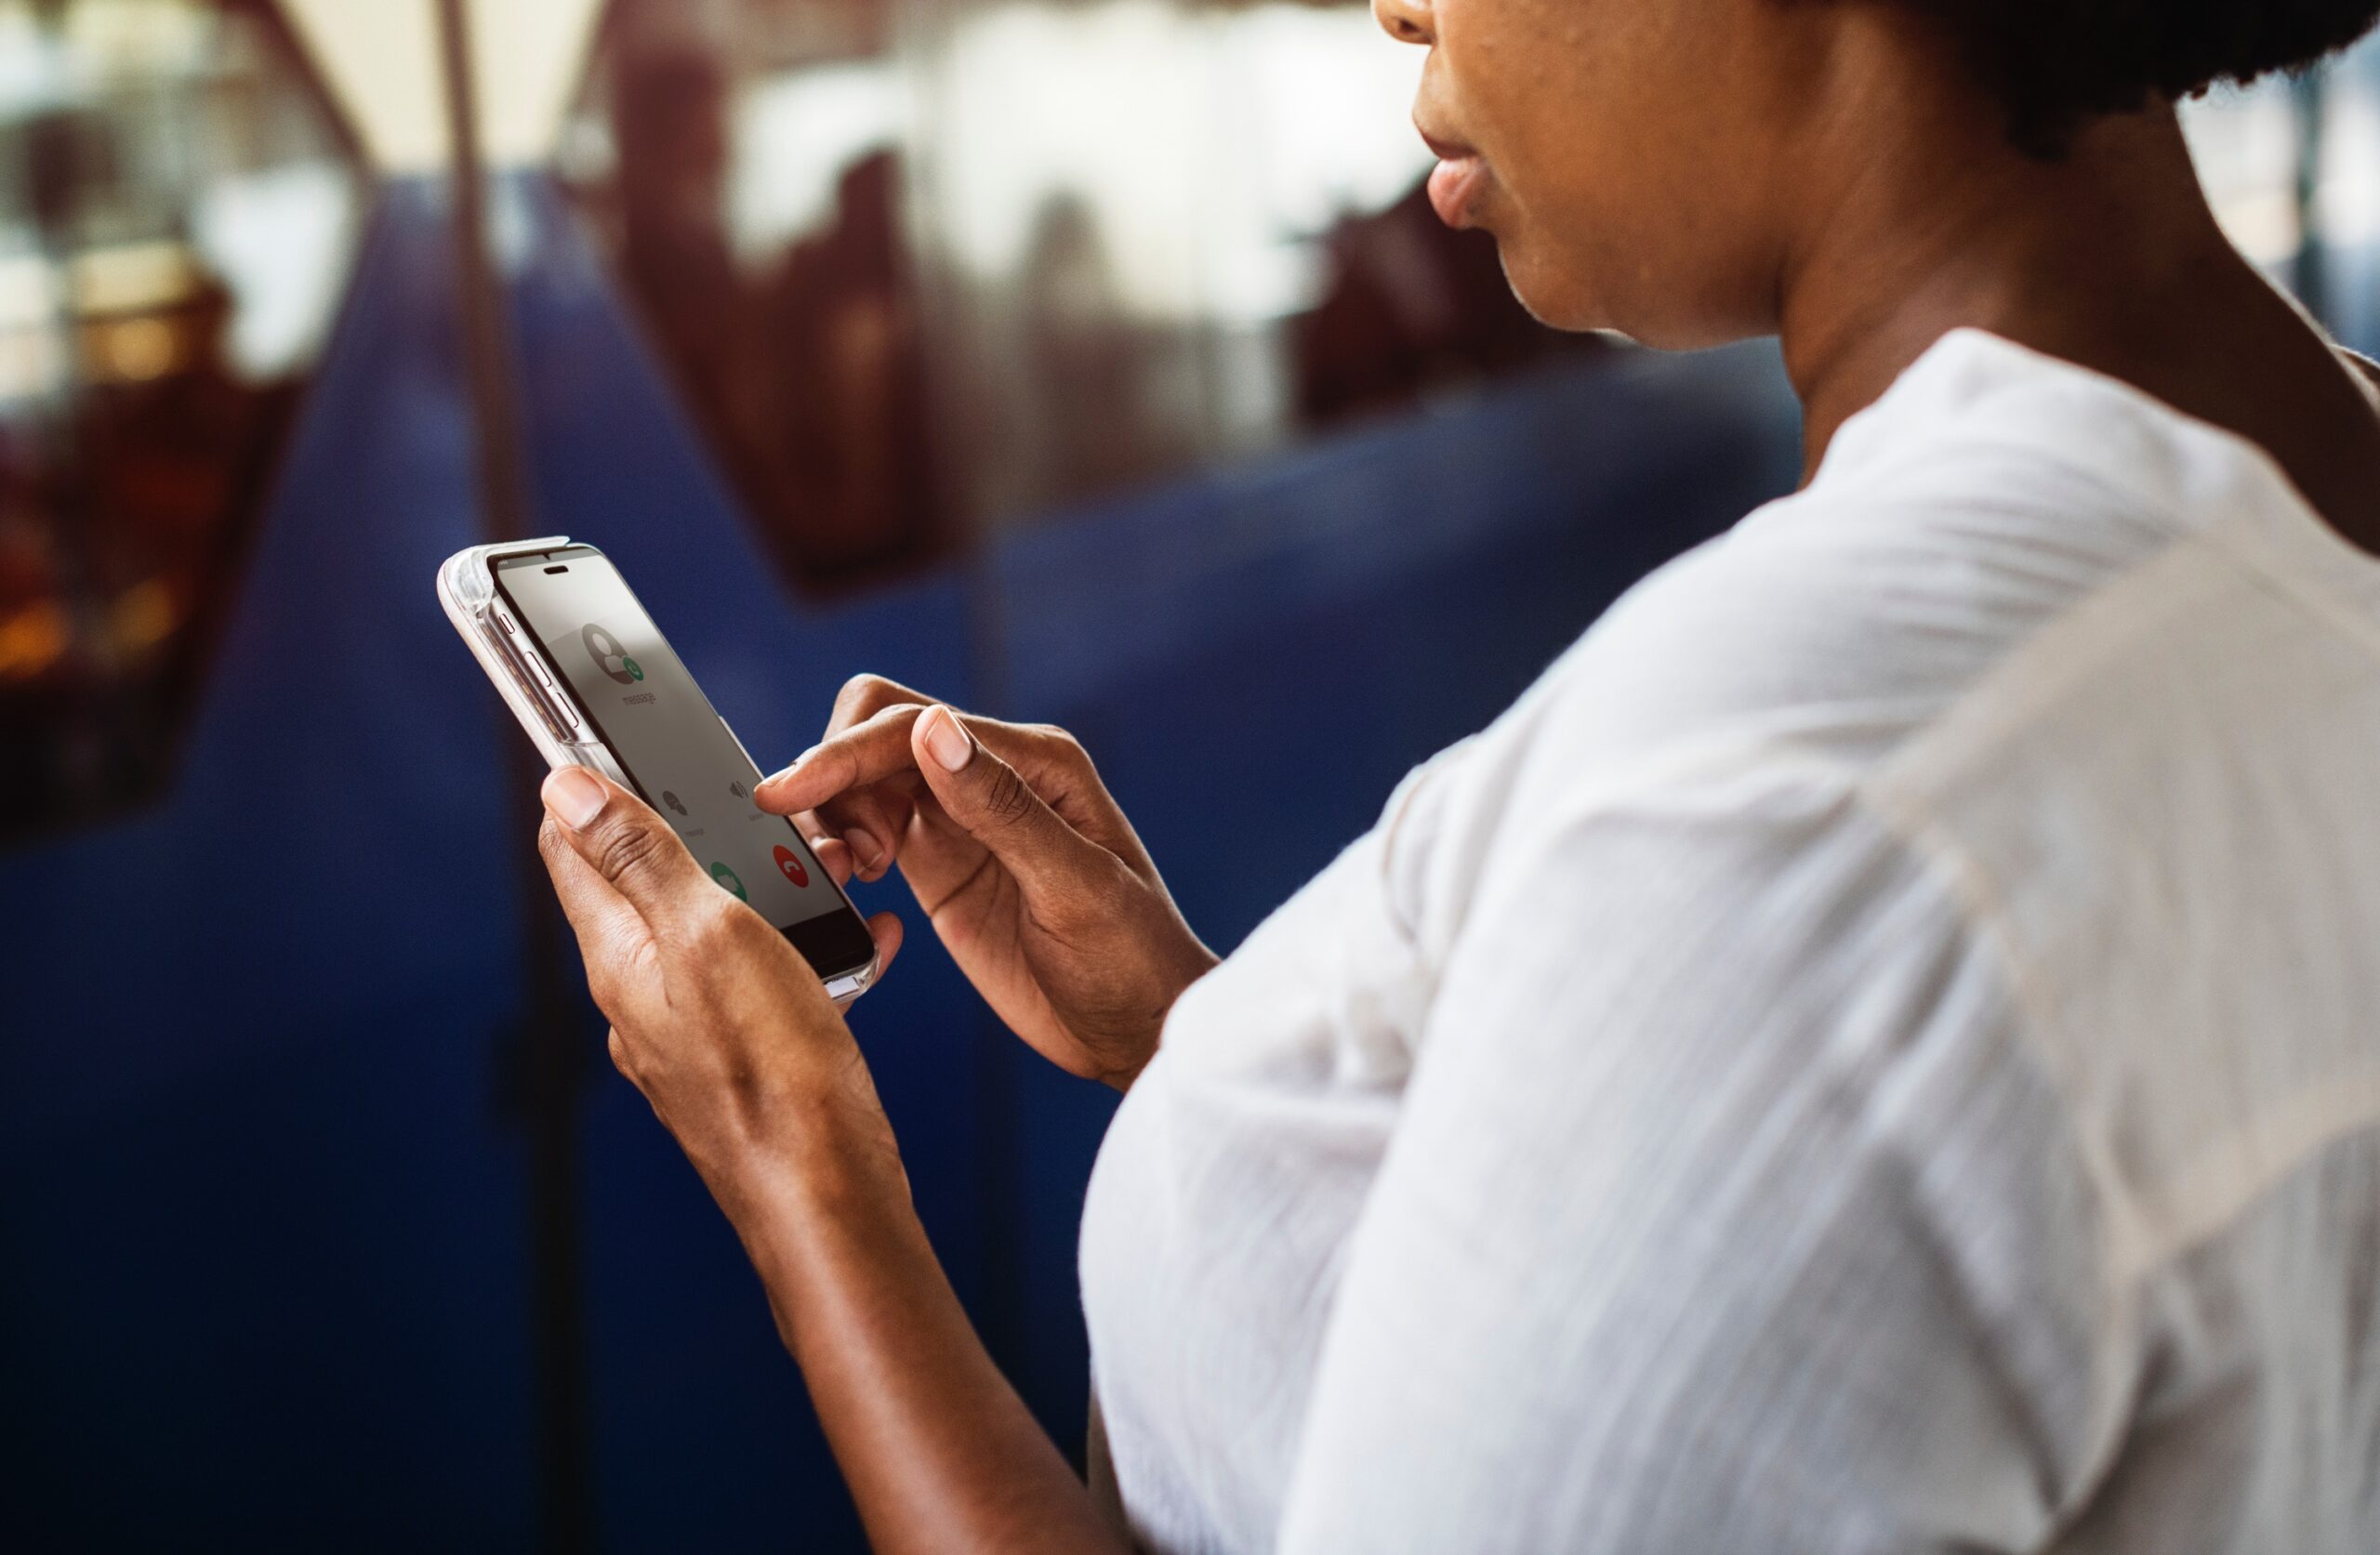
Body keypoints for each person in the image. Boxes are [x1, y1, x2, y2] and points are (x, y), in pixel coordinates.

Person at [532, 0, 2380, 1548]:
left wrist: (795, 1165)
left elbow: (1810, 1004)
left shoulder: (1798, 802)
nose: (1396, 0)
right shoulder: (2292, 496)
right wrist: (1215, 1044)